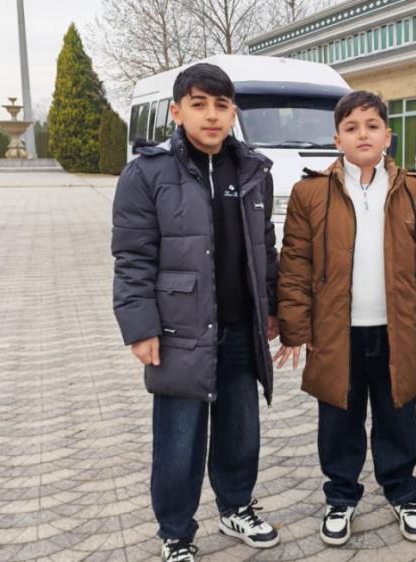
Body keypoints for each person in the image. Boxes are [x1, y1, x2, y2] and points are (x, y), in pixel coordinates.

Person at [111, 63, 280, 562]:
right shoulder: (146, 173)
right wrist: (140, 327)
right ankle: (176, 532)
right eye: (199, 104)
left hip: (240, 327)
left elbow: (265, 247)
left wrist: (272, 309)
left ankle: (236, 507)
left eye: (221, 105)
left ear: (233, 113)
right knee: (179, 438)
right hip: (177, 330)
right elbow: (133, 257)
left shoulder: (253, 169)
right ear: (176, 111)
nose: (211, 115)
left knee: (240, 430)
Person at [274, 90, 416, 546]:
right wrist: (296, 329)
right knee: (339, 422)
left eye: (371, 125)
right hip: (336, 335)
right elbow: (295, 264)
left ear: (388, 135)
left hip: (397, 333)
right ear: (337, 139)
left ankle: (403, 493)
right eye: (351, 127)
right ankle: (341, 497)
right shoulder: (310, 193)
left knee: (398, 419)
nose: (362, 134)